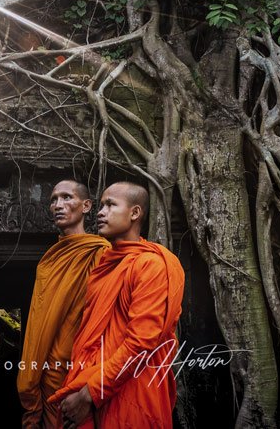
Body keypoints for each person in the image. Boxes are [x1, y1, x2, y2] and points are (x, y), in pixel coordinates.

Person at [49, 182, 185, 429]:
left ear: (134, 213)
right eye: (101, 205)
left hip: (130, 391)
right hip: (94, 385)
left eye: (110, 205)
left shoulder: (150, 265)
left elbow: (141, 342)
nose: (101, 212)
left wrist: (90, 393)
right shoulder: (105, 267)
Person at [17, 180, 111, 429]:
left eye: (67, 197)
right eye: (53, 200)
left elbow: (105, 316)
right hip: (48, 371)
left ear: (87, 206)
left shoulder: (101, 252)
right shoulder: (49, 260)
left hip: (82, 368)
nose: (58, 205)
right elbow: (39, 321)